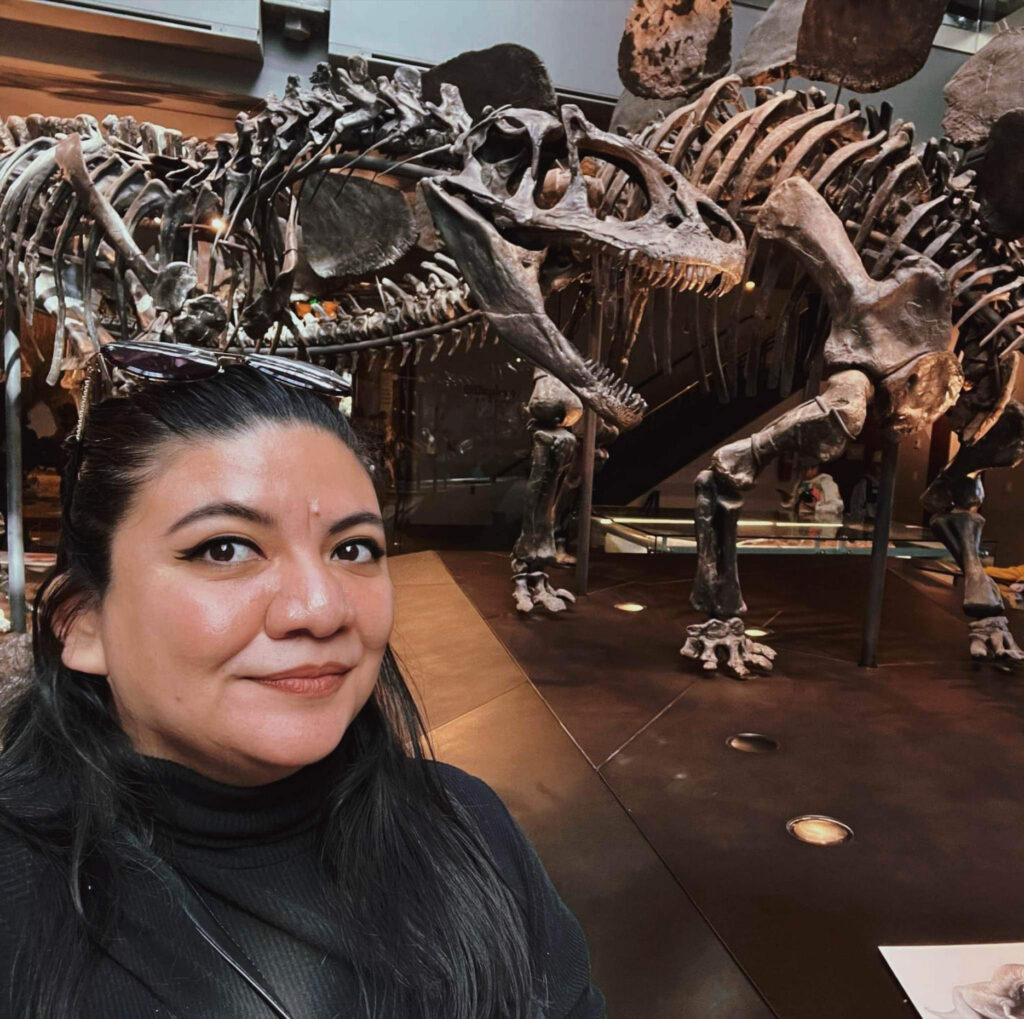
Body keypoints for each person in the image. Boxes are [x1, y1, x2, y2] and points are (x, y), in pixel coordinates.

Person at [0, 342, 604, 1019]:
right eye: (224, 548)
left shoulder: (469, 826)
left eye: (354, 549)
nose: (321, 608)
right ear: (81, 624)